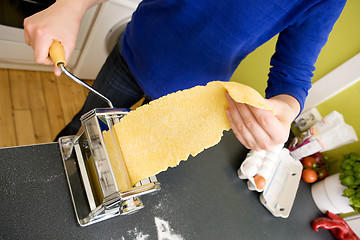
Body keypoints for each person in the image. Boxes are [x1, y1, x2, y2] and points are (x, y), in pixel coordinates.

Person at [23, 0, 346, 151]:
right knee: (82, 130)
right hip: (133, 56)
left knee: (129, 156)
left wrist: (285, 111)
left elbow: (293, 75)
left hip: (191, 98)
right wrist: (71, 6)